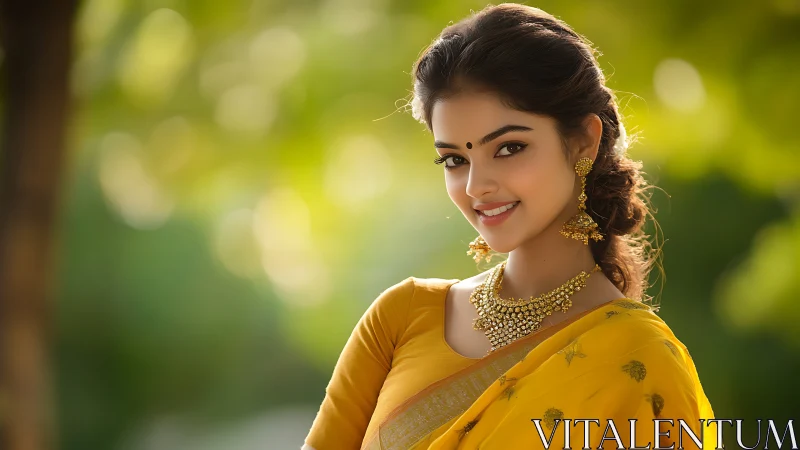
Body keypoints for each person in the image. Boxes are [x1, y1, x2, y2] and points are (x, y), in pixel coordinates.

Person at [303, 4, 719, 449]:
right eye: (454, 160)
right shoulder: (401, 318)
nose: (477, 186)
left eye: (508, 148)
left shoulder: (639, 359)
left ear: (583, 142)